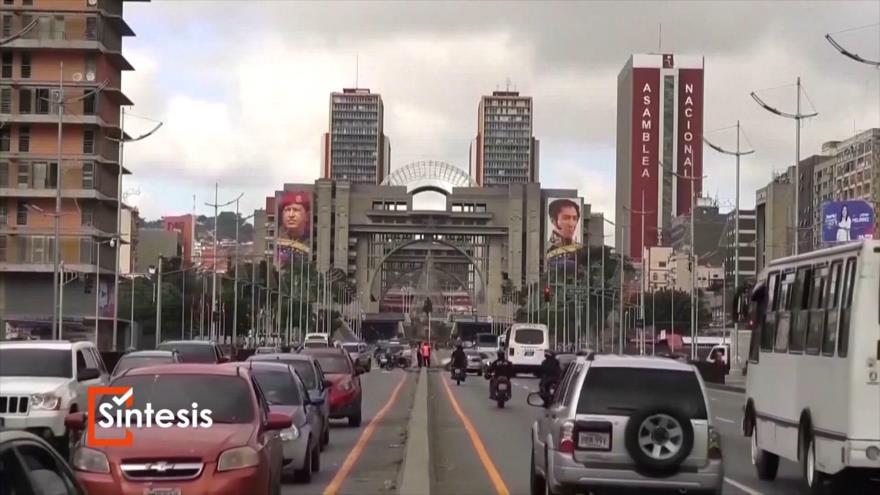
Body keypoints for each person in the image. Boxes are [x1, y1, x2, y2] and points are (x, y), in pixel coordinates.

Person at [277, 192, 311, 261]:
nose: (291, 215)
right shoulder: (277, 241)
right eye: (287, 210)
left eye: (296, 210)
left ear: (307, 216)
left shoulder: (310, 240)